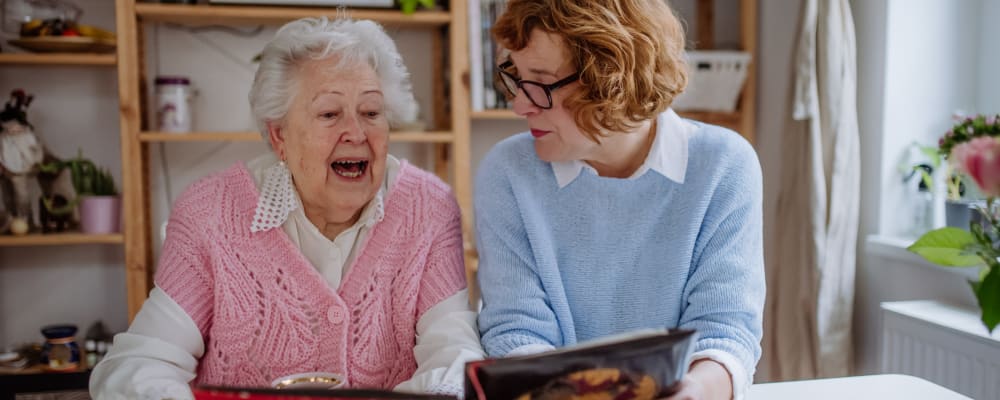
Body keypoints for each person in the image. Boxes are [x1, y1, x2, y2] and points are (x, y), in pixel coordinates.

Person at [91, 17, 483, 399]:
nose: (357, 133)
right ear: (280, 136)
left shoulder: (428, 207)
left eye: (371, 112)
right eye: (330, 114)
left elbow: (454, 353)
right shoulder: (210, 213)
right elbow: (138, 364)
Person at [474, 1, 764, 399]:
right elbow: (517, 330)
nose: (519, 104)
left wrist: (690, 393)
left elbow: (725, 332)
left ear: (610, 80)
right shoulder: (507, 172)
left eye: (540, 83)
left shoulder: (724, 165)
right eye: (515, 78)